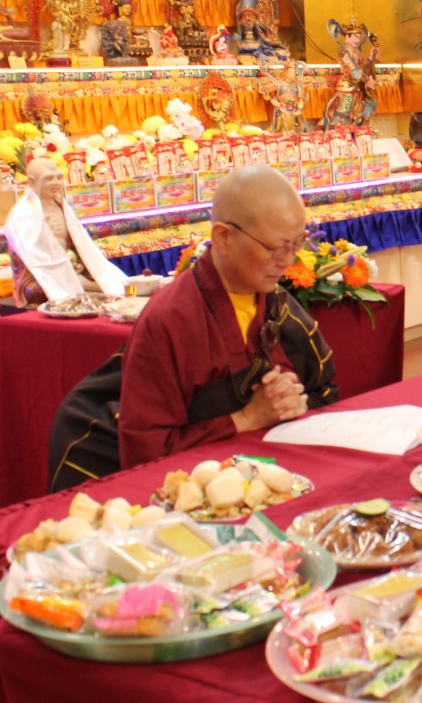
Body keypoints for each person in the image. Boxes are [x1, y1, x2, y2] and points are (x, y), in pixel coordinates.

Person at [47, 165, 339, 490]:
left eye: (296, 244)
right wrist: (246, 419)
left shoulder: (279, 305)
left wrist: (293, 402)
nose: (287, 261)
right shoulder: (171, 319)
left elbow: (323, 391)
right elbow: (146, 454)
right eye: (273, 248)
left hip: (255, 474)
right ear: (224, 238)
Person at [3, 157, 128, 305]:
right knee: (37, 290)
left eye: (58, 178)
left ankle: (84, 285)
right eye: (49, 179)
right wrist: (60, 271)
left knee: (107, 277)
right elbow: (31, 256)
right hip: (38, 274)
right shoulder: (22, 213)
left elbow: (80, 245)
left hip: (69, 265)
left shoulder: (62, 206)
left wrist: (76, 264)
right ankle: (83, 286)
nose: (56, 183)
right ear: (32, 181)